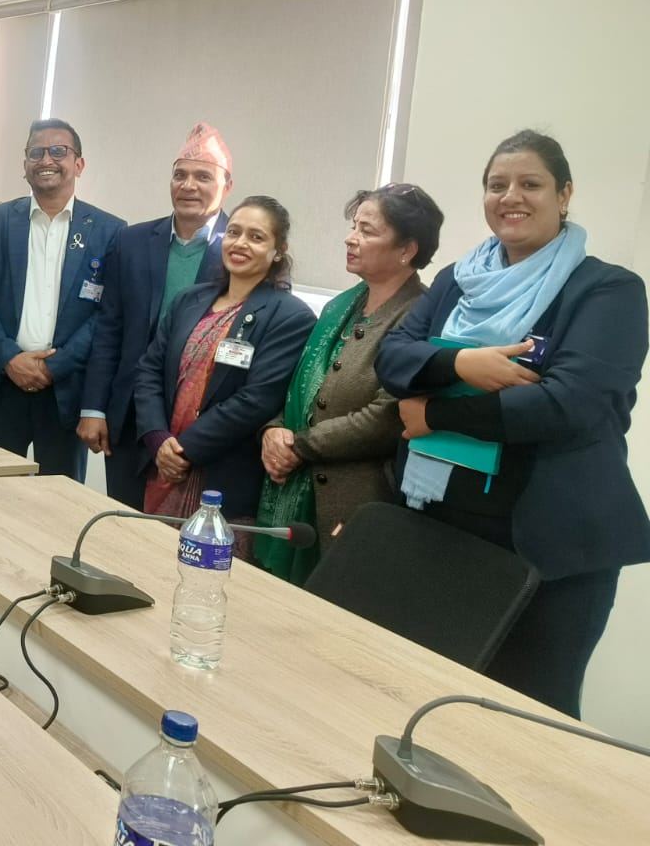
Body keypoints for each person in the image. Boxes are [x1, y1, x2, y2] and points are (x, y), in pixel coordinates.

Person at [377, 130, 650, 717]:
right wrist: (462, 364)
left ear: (564, 194)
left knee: (527, 720)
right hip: (443, 529)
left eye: (531, 184)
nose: (511, 197)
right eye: (497, 185)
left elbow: (566, 404)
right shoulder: (457, 280)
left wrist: (433, 412)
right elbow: (392, 358)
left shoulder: (608, 290)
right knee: (433, 703)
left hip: (547, 550)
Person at [255, 184, 443, 582]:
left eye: (367, 230)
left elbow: (387, 416)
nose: (350, 238)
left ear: (407, 249)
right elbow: (296, 387)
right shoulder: (340, 306)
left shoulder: (420, 317)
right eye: (353, 225)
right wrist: (273, 431)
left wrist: (299, 445)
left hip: (357, 501)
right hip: (292, 489)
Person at [131, 196, 315, 526]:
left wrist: (183, 451)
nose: (240, 243)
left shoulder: (290, 316)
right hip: (161, 465)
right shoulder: (189, 299)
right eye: (234, 232)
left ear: (278, 250)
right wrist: (157, 439)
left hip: (222, 477)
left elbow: (256, 400)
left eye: (256, 237)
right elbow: (150, 370)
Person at [79, 122, 235, 506]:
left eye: (203, 176)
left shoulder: (241, 250)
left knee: (179, 532)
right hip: (130, 415)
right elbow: (109, 329)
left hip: (201, 425)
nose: (188, 185)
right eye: (180, 175)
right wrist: (94, 407)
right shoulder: (131, 241)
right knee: (123, 522)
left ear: (227, 186)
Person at [0, 120, 124, 479]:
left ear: (78, 164)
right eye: (36, 152)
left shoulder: (110, 231)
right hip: (0, 384)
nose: (46, 159)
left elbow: (107, 314)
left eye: (58, 151)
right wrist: (10, 358)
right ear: (25, 164)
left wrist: (55, 366)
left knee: (59, 499)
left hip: (65, 390)